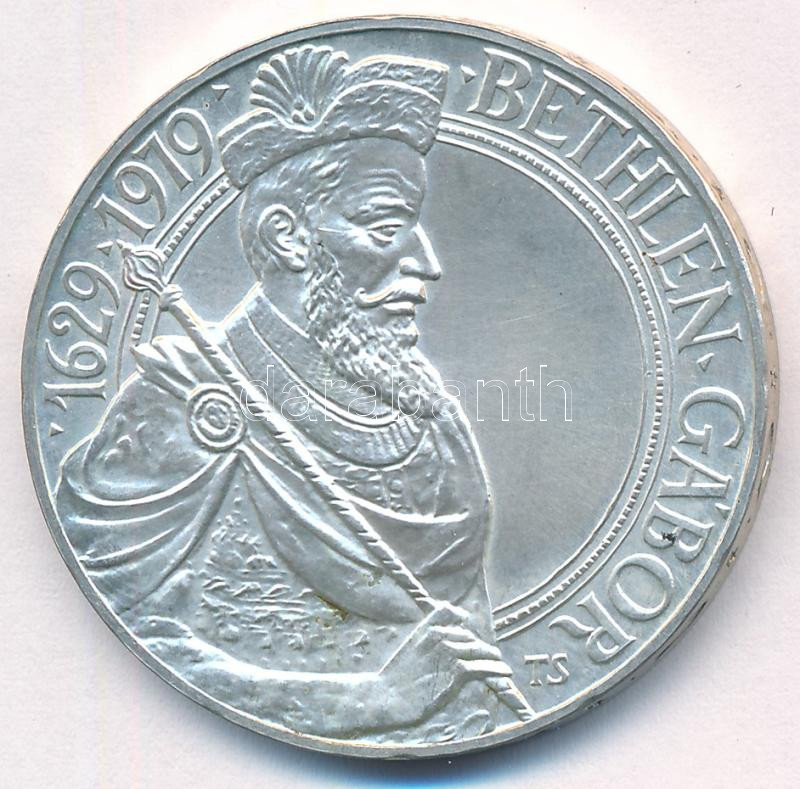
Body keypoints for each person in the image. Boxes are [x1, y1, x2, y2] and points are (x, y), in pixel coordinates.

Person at [56, 45, 514, 742]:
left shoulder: (426, 412)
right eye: (385, 227)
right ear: (289, 236)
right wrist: (368, 702)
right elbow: (123, 636)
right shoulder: (186, 403)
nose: (426, 262)